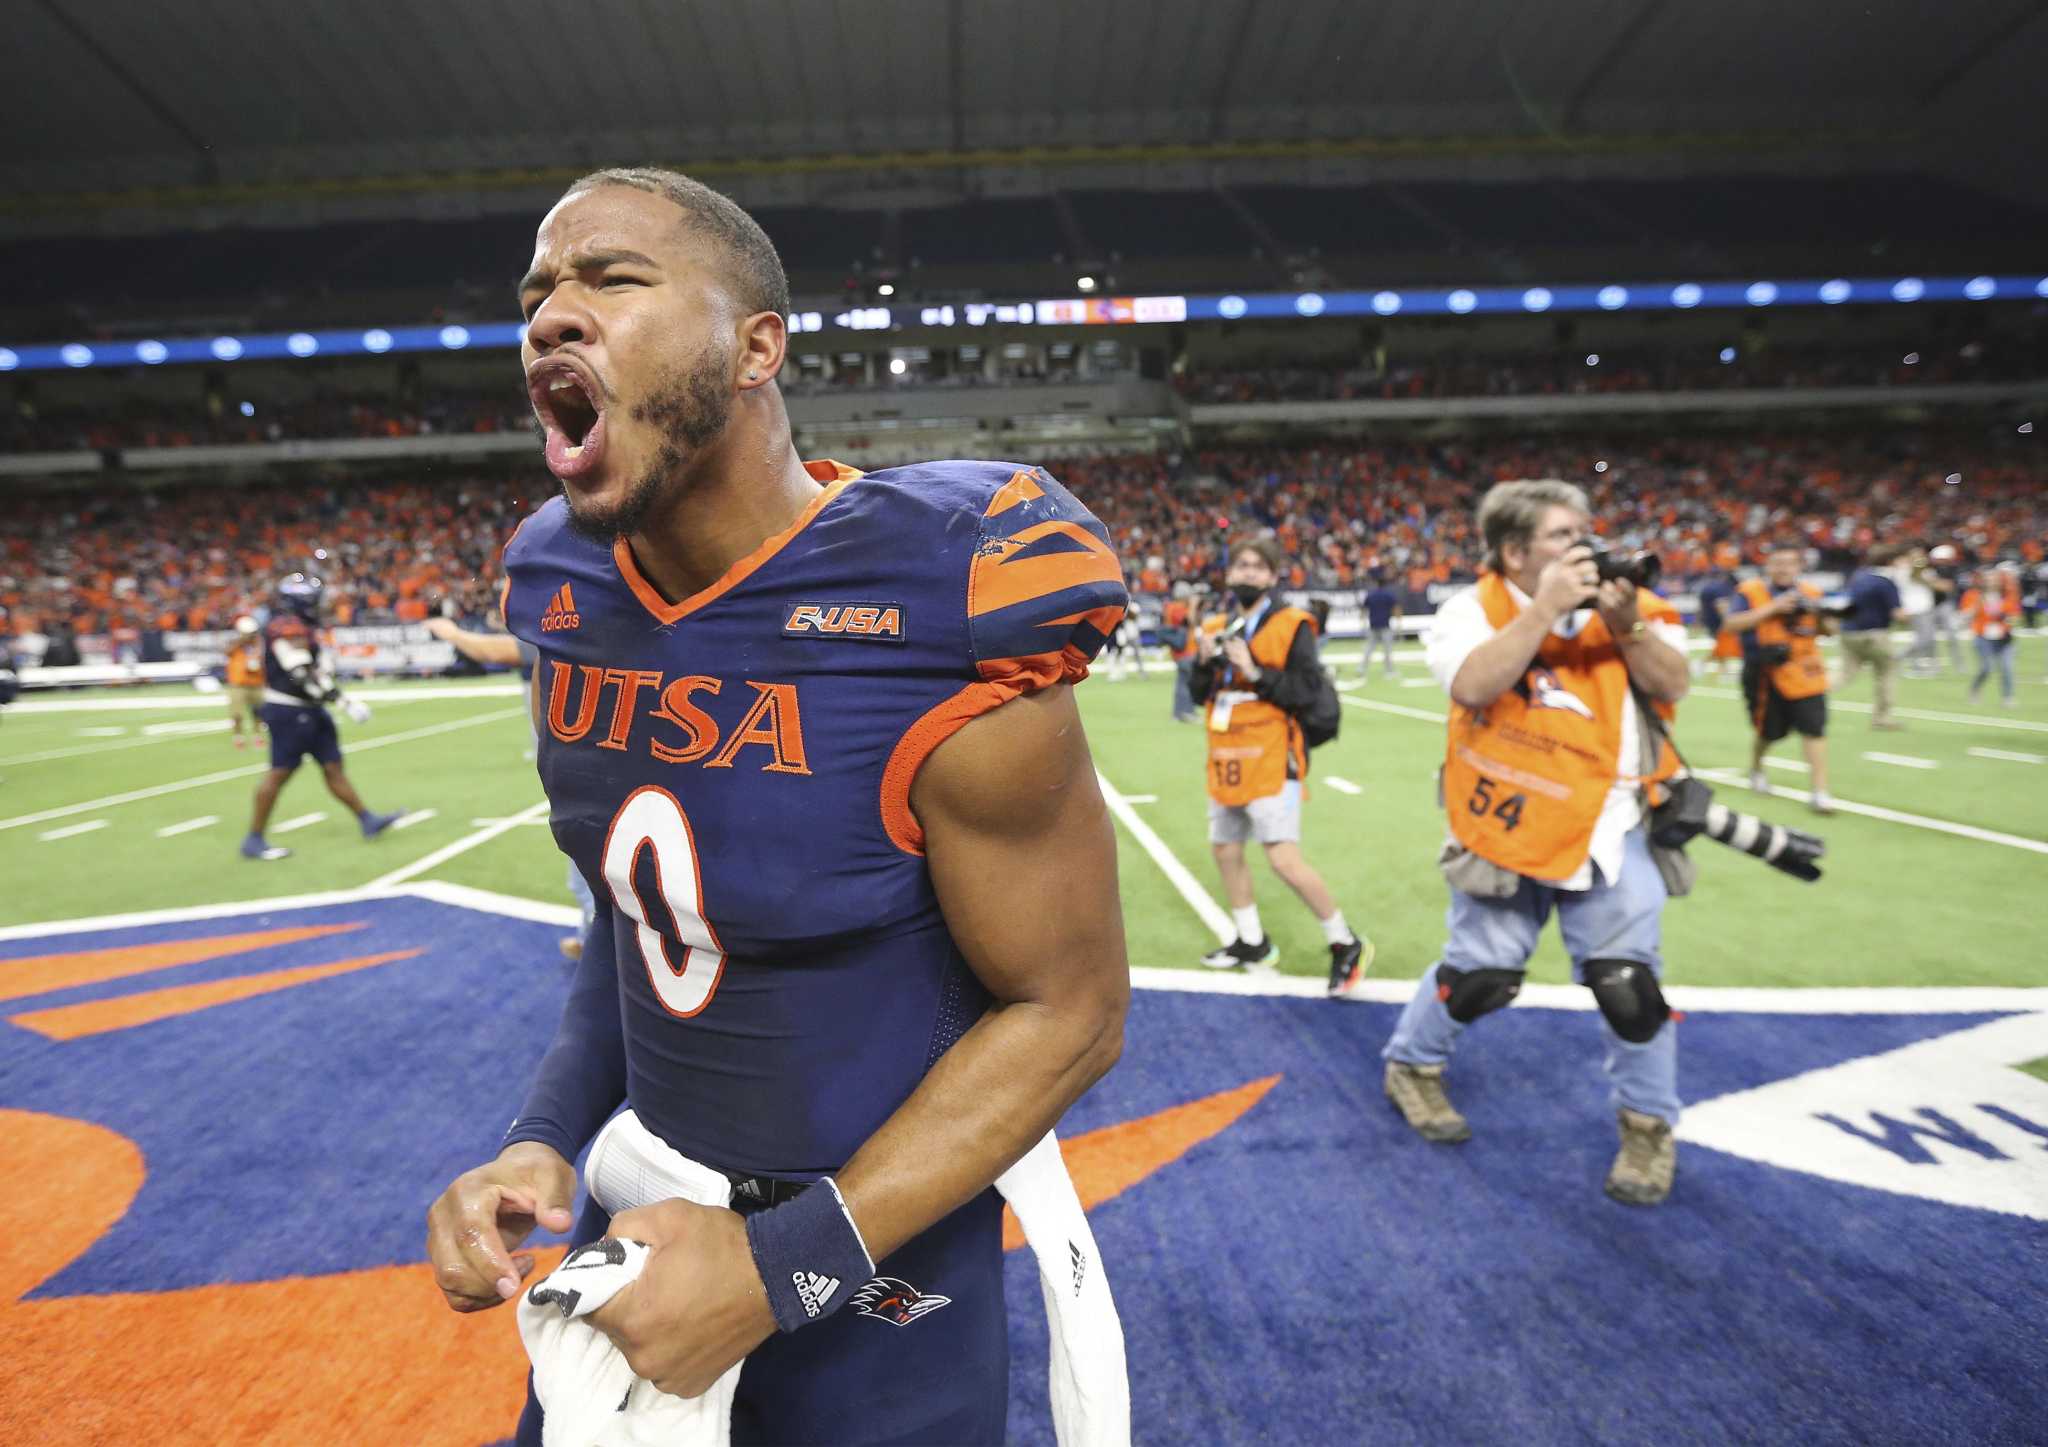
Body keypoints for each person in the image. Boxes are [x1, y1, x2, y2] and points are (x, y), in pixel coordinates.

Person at [422, 167, 1130, 1446]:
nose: (549, 315)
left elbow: (1069, 1014)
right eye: (537, 292)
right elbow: (643, 917)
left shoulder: (941, 600)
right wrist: (543, 1138)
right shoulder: (561, 585)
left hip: (879, 1267)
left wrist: (783, 1264)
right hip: (645, 1225)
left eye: (611, 278)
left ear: (757, 348)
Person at [1380, 480, 1692, 1206]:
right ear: (1514, 551)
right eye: (1562, 536)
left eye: (1584, 531)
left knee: (1630, 986)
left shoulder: (1626, 603)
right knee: (1481, 974)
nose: (1583, 546)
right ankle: (1413, 1063)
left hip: (1608, 825)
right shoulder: (1470, 607)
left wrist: (1627, 628)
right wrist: (1548, 608)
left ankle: (1648, 1125)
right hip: (1504, 825)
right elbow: (1472, 684)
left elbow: (1677, 680)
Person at [1188, 536, 1369, 995]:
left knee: (1283, 859)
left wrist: (1255, 671)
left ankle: (1344, 941)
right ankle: (1252, 939)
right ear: (1230, 574)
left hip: (1272, 753)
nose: (1248, 573)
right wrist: (1205, 665)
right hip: (1227, 753)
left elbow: (1307, 691)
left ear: (1271, 576)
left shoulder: (1292, 624)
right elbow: (1196, 695)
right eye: (1241, 565)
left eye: (1257, 567)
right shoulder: (1216, 624)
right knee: (1226, 850)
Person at [425, 613, 595, 957]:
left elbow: (497, 651)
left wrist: (451, 632)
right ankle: (588, 933)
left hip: (581, 761)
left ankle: (600, 946)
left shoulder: (572, 624)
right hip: (578, 760)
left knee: (587, 851)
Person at [241, 574, 403, 860]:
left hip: (311, 708)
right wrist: (343, 701)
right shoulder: (286, 628)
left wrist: (339, 699)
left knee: (333, 768)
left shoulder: (300, 626)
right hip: (290, 710)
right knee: (280, 772)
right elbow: (301, 673)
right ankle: (253, 838)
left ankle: (367, 819)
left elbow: (312, 673)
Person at [1724, 544, 1834, 815]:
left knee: (1814, 728)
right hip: (1765, 672)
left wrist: (1819, 613)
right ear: (1768, 566)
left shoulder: (1812, 592)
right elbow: (1731, 625)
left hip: (1806, 672)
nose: (1783, 568)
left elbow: (1830, 630)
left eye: (1789, 563)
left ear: (1799, 567)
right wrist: (1773, 608)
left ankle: (1820, 791)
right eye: (1778, 562)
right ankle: (1757, 767)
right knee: (1768, 731)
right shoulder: (1751, 591)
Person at [1833, 544, 1907, 730]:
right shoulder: (1887, 582)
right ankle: (1882, 718)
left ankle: (1806, 694)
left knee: (1843, 674)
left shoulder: (1858, 577)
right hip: (1875, 634)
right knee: (1886, 674)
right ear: (1890, 561)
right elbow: (1898, 614)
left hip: (1849, 632)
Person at [1962, 566, 2022, 707]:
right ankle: (1975, 689)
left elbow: (2015, 616)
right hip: (1983, 636)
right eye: (1988, 579)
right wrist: (1978, 604)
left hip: (2004, 637)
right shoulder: (1973, 595)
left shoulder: (2008, 595)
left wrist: (2009, 619)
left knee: (2007, 667)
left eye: (1995, 579)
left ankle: (2008, 697)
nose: (1992, 582)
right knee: (1986, 668)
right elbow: (1966, 615)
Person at [224, 615, 266, 749]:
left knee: (259, 712)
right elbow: (227, 652)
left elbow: (263, 656)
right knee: (237, 713)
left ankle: (258, 736)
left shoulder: (259, 642)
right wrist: (241, 641)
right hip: (238, 683)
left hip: (257, 682)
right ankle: (238, 737)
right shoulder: (234, 643)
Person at [1694, 564, 1741, 680]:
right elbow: (1722, 606)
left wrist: (1698, 621)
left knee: (1722, 647)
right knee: (1723, 646)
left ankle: (1720, 669)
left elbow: (1700, 607)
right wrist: (1729, 622)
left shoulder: (1706, 587)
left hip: (1709, 620)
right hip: (1719, 622)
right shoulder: (1722, 588)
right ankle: (1705, 665)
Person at [1161, 592, 1199, 722]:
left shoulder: (1170, 607)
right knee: (1188, 683)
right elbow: (1190, 621)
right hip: (1185, 651)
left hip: (1179, 651)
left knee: (1181, 683)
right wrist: (1193, 606)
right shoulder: (1177, 607)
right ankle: (1187, 712)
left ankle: (1177, 713)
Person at [1360, 572, 1401, 680]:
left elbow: (1364, 609)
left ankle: (1362, 668)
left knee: (1369, 648)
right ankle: (1388, 671)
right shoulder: (1388, 595)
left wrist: (1362, 622)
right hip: (1385, 625)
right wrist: (1398, 622)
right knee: (1387, 650)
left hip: (1373, 625)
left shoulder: (1371, 594)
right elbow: (1396, 608)